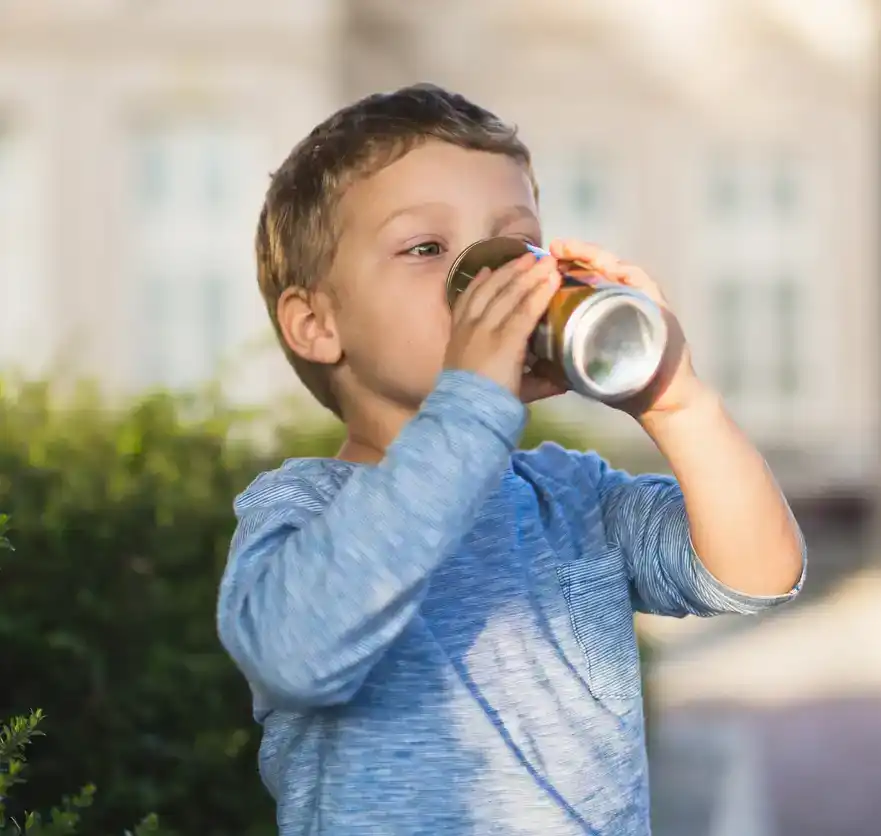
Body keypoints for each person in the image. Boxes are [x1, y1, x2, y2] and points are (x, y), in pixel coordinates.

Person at [215, 82, 806, 836]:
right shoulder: (301, 511)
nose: (488, 280)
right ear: (317, 323)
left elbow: (758, 574)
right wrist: (470, 403)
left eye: (514, 248)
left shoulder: (571, 498)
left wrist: (676, 401)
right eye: (427, 249)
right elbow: (296, 654)